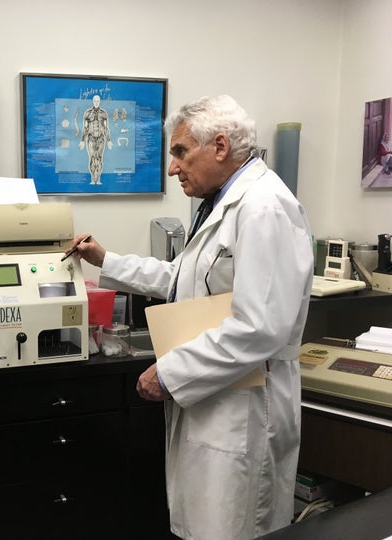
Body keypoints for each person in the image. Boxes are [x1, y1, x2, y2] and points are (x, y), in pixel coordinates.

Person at [68, 95, 313, 540]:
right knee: (204, 524)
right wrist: (105, 260)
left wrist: (170, 372)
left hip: (245, 408)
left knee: (231, 526)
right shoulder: (224, 203)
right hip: (219, 398)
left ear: (219, 147)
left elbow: (260, 326)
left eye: (180, 152)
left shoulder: (264, 207)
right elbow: (184, 279)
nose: (172, 167)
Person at [79, 94, 113, 184]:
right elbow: (85, 128)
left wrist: (109, 140)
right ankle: (92, 178)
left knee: (99, 158)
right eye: (95, 101)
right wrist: (82, 140)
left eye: (98, 101)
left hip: (101, 139)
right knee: (92, 157)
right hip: (90, 138)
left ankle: (98, 179)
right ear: (93, 102)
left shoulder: (104, 113)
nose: (96, 103)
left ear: (100, 102)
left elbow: (106, 128)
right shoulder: (87, 113)